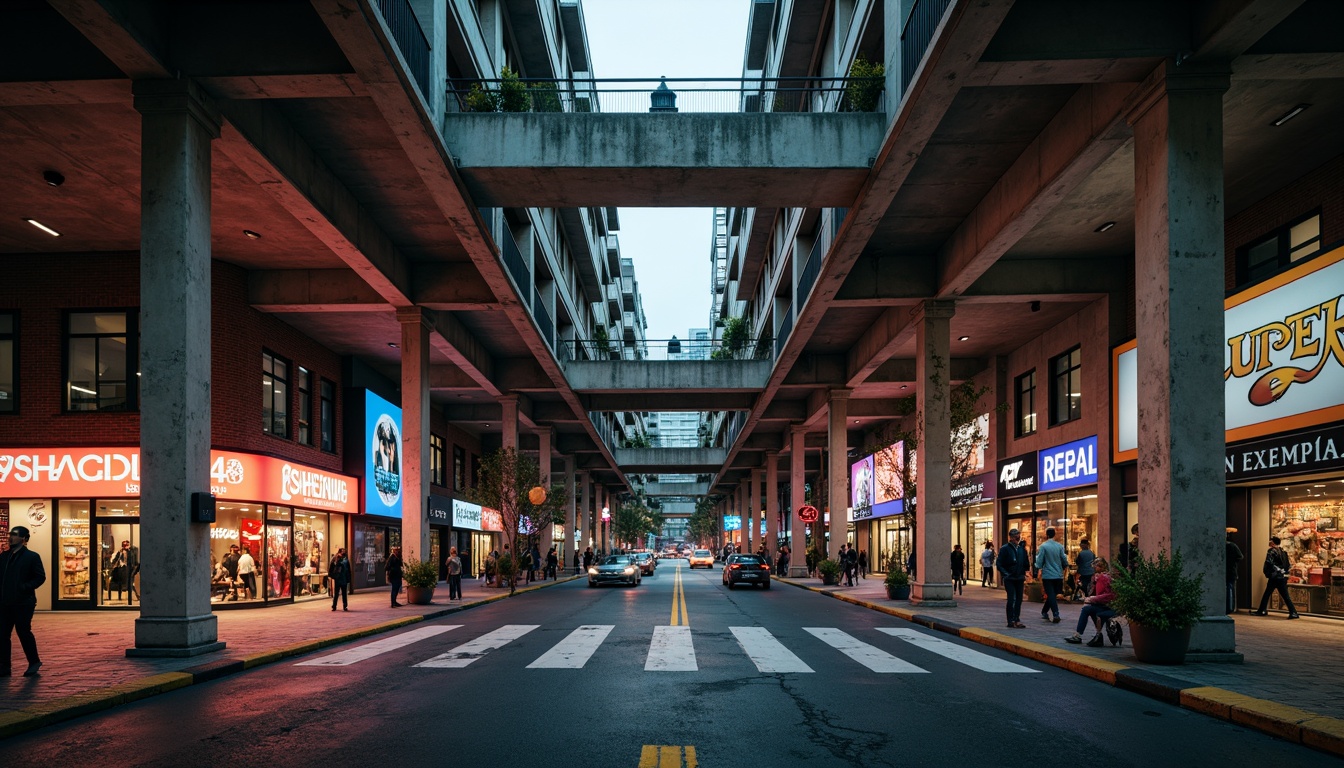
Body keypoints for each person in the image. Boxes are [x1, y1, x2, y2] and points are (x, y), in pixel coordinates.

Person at [0, 526, 45, 677]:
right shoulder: (4, 556)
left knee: (23, 632)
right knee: (3, 634)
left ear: (24, 539)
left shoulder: (32, 557)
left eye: (15, 535)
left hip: (23, 602)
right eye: (10, 534)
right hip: (5, 601)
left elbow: (40, 577)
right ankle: (4, 666)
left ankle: (34, 662)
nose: (10, 537)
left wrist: (24, 587)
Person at [1065, 558, 1118, 647]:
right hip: (1104, 605)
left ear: (1101, 567)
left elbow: (1109, 595)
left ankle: (1086, 635)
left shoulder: (1103, 578)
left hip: (1107, 606)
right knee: (1087, 609)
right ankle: (1088, 634)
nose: (1094, 569)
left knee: (1088, 609)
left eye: (1096, 566)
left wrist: (1093, 599)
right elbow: (1093, 592)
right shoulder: (1100, 577)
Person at [1253, 536, 1299, 618]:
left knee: (1268, 594)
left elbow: (1269, 562)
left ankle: (1262, 610)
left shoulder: (1271, 551)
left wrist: (1277, 570)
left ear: (1273, 542)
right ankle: (1293, 612)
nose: (1269, 542)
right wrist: (1284, 571)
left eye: (1270, 540)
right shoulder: (1283, 551)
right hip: (1282, 577)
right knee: (1283, 595)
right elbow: (1288, 565)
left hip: (1275, 576)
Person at [1034, 527, 1068, 624]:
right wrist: (1065, 566)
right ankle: (1044, 611)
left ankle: (1055, 613)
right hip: (1058, 574)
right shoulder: (1059, 546)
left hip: (1048, 575)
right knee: (1053, 594)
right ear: (1054, 535)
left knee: (1051, 594)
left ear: (1047, 535)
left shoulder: (1043, 546)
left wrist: (1038, 568)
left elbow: (1039, 561)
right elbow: (1064, 559)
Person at [997, 528, 1029, 629]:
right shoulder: (1005, 548)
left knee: (1019, 599)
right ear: (1011, 537)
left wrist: (1025, 571)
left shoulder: (1021, 549)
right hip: (1010, 578)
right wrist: (1005, 573)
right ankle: (1010, 620)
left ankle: (1017, 618)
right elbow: (999, 563)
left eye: (1018, 536)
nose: (1017, 538)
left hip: (1019, 577)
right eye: (1016, 536)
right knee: (1012, 599)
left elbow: (1026, 563)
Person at [1226, 529, 1243, 614]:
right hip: (1232, 571)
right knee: (1230, 589)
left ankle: (1229, 607)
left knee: (1229, 588)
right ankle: (1231, 607)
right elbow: (1240, 557)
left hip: (1227, 571)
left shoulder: (1226, 546)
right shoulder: (1233, 546)